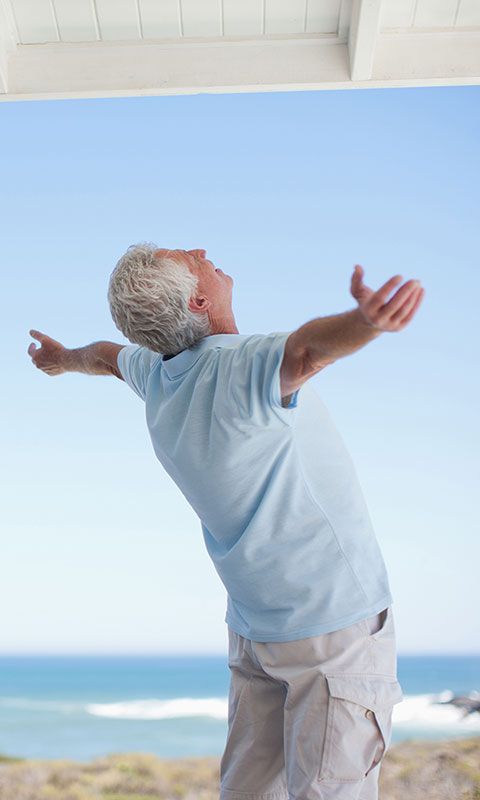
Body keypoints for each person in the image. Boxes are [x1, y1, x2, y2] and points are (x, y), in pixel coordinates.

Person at [28, 246, 425, 800]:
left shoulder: (160, 377)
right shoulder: (241, 365)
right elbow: (310, 349)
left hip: (255, 628)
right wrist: (365, 323)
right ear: (198, 299)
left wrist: (62, 359)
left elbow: (104, 356)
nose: (202, 252)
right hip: (331, 627)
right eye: (191, 258)